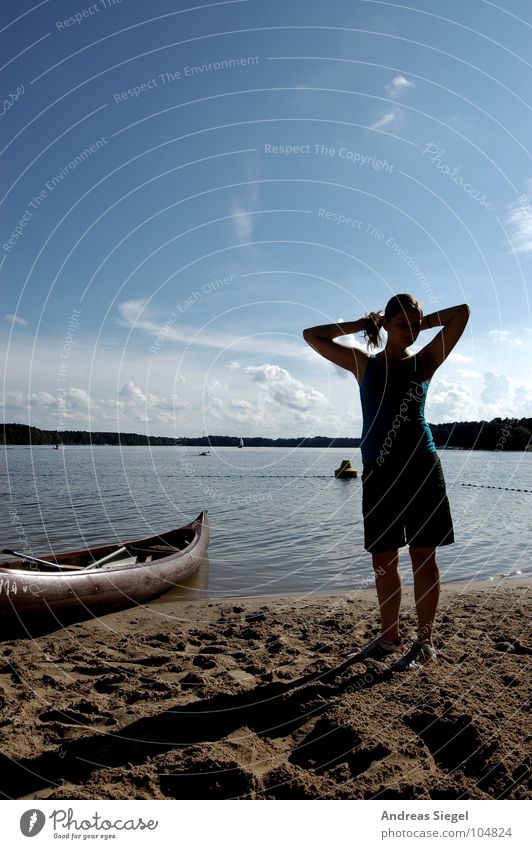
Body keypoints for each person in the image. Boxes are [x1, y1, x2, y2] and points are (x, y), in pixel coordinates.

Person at [303, 294, 470, 670]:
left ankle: (424, 643)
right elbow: (312, 335)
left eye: (416, 325)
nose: (410, 332)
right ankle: (390, 637)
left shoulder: (425, 361)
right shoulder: (363, 364)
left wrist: (417, 324)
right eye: (402, 324)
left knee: (423, 556)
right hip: (379, 472)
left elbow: (462, 314)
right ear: (386, 323)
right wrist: (364, 326)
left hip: (422, 468)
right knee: (383, 558)